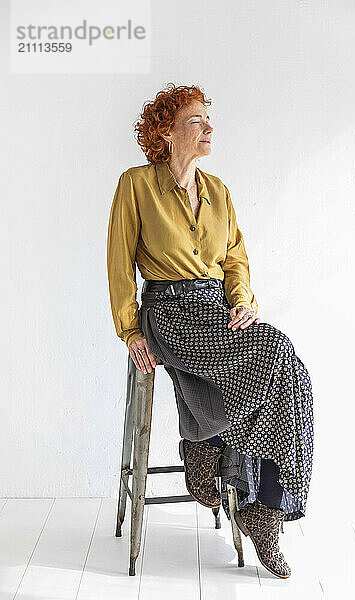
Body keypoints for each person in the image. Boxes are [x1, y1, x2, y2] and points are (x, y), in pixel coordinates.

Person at [107, 83, 314, 579]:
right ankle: (218, 458)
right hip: (172, 312)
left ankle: (258, 499)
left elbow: (236, 258)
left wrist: (242, 299)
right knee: (277, 354)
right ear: (167, 132)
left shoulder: (218, 190)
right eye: (197, 120)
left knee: (293, 377)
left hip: (219, 308)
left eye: (207, 119)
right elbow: (119, 265)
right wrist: (130, 331)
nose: (209, 128)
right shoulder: (136, 184)